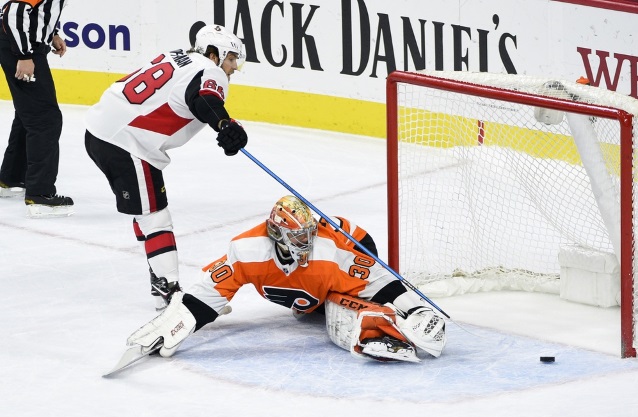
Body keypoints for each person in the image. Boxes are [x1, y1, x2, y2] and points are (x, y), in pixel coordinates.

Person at [124, 195, 447, 363]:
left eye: (309, 233)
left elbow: (379, 278)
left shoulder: (328, 252)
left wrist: (417, 309)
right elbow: (210, 291)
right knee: (309, 308)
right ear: (277, 233)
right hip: (311, 282)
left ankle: (373, 320)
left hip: (356, 243)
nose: (304, 242)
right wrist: (179, 319)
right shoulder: (247, 250)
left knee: (345, 301)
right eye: (297, 236)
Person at [85, 25, 248, 311]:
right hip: (128, 144)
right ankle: (170, 292)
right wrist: (224, 124)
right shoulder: (211, 70)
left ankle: (159, 276)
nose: (234, 66)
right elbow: (204, 99)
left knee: (145, 212)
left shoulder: (177, 56)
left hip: (101, 131)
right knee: (155, 217)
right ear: (214, 53)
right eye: (231, 58)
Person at [0, 0, 74, 217]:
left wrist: (52, 34)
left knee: (28, 113)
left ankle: (11, 177)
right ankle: (40, 194)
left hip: (21, 44)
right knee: (45, 119)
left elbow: (34, 11)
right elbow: (14, 12)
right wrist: (24, 55)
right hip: (20, 48)